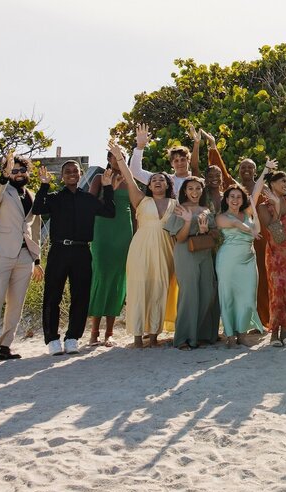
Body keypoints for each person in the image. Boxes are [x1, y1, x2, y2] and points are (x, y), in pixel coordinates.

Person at [32, 156, 117, 355]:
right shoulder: (53, 198)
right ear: (62, 177)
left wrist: (107, 187)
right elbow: (37, 209)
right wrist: (44, 186)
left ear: (80, 174)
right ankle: (52, 339)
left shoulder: (88, 199)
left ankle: (72, 337)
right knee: (53, 295)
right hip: (58, 251)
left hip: (81, 251)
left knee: (81, 295)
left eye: (75, 171)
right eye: (67, 171)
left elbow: (110, 211)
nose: (72, 174)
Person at [0, 149, 43, 364]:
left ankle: (5, 346)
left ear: (27, 171)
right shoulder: (2, 190)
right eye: (13, 170)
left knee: (16, 304)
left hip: (25, 255)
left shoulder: (31, 194)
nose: (18, 173)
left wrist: (36, 259)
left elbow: (33, 229)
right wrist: (3, 177)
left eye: (21, 170)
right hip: (1, 253)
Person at [113, 144, 176, 349]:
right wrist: (120, 158)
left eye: (162, 179)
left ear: (168, 185)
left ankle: (154, 336)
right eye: (153, 179)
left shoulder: (176, 205)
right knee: (139, 289)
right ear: (149, 185)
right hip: (140, 250)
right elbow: (130, 178)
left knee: (159, 289)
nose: (157, 181)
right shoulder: (141, 199)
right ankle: (137, 337)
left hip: (165, 250)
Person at [165, 177, 220, 350]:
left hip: (205, 253)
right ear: (185, 191)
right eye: (190, 188)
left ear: (202, 190)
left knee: (208, 292)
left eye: (198, 188)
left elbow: (216, 235)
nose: (194, 192)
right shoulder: (179, 209)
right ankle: (183, 338)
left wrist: (207, 230)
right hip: (185, 253)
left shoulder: (206, 209)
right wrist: (188, 221)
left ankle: (202, 334)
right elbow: (179, 238)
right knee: (189, 294)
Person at [87, 154, 133, 347]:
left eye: (122, 156)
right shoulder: (99, 177)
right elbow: (89, 204)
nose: (118, 159)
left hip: (124, 230)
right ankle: (94, 331)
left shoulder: (130, 179)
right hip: (102, 230)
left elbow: (135, 207)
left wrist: (137, 235)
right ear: (108, 158)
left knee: (118, 278)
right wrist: (109, 191)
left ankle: (110, 332)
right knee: (101, 275)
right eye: (115, 156)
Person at [257, 164, 286, 347]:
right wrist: (276, 206)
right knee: (277, 292)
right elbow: (277, 233)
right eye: (282, 181)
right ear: (272, 184)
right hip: (277, 254)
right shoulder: (263, 206)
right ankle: (274, 334)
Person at [214, 183, 265, 347]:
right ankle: (230, 335)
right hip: (228, 260)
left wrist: (265, 171)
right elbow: (236, 224)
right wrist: (251, 231)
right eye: (232, 197)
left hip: (248, 259)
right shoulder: (221, 217)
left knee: (248, 297)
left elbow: (255, 193)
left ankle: (242, 334)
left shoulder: (247, 213)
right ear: (226, 199)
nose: (235, 200)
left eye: (239, 197)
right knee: (227, 296)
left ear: (243, 200)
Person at [128, 123, 196, 197]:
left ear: (188, 160)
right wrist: (140, 147)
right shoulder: (165, 180)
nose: (180, 163)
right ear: (171, 164)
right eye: (176, 161)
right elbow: (135, 172)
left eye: (183, 159)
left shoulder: (197, 178)